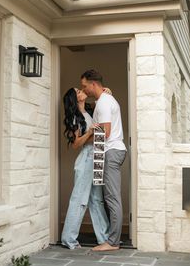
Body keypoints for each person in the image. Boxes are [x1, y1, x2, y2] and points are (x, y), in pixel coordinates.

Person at [81, 69, 127, 251]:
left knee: (112, 198)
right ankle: (111, 238)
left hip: (111, 152)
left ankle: (113, 242)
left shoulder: (104, 103)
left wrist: (86, 137)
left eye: (85, 86)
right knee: (107, 197)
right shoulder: (104, 100)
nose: (84, 89)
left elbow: (105, 133)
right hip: (107, 152)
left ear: (93, 84)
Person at [61, 87, 109, 250]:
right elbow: (76, 144)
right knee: (79, 200)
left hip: (97, 157)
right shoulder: (75, 117)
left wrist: (106, 94)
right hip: (87, 158)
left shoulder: (89, 111)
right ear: (75, 98)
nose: (82, 90)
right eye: (78, 91)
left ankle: (104, 237)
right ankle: (69, 239)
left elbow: (104, 108)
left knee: (97, 199)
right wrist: (89, 133)